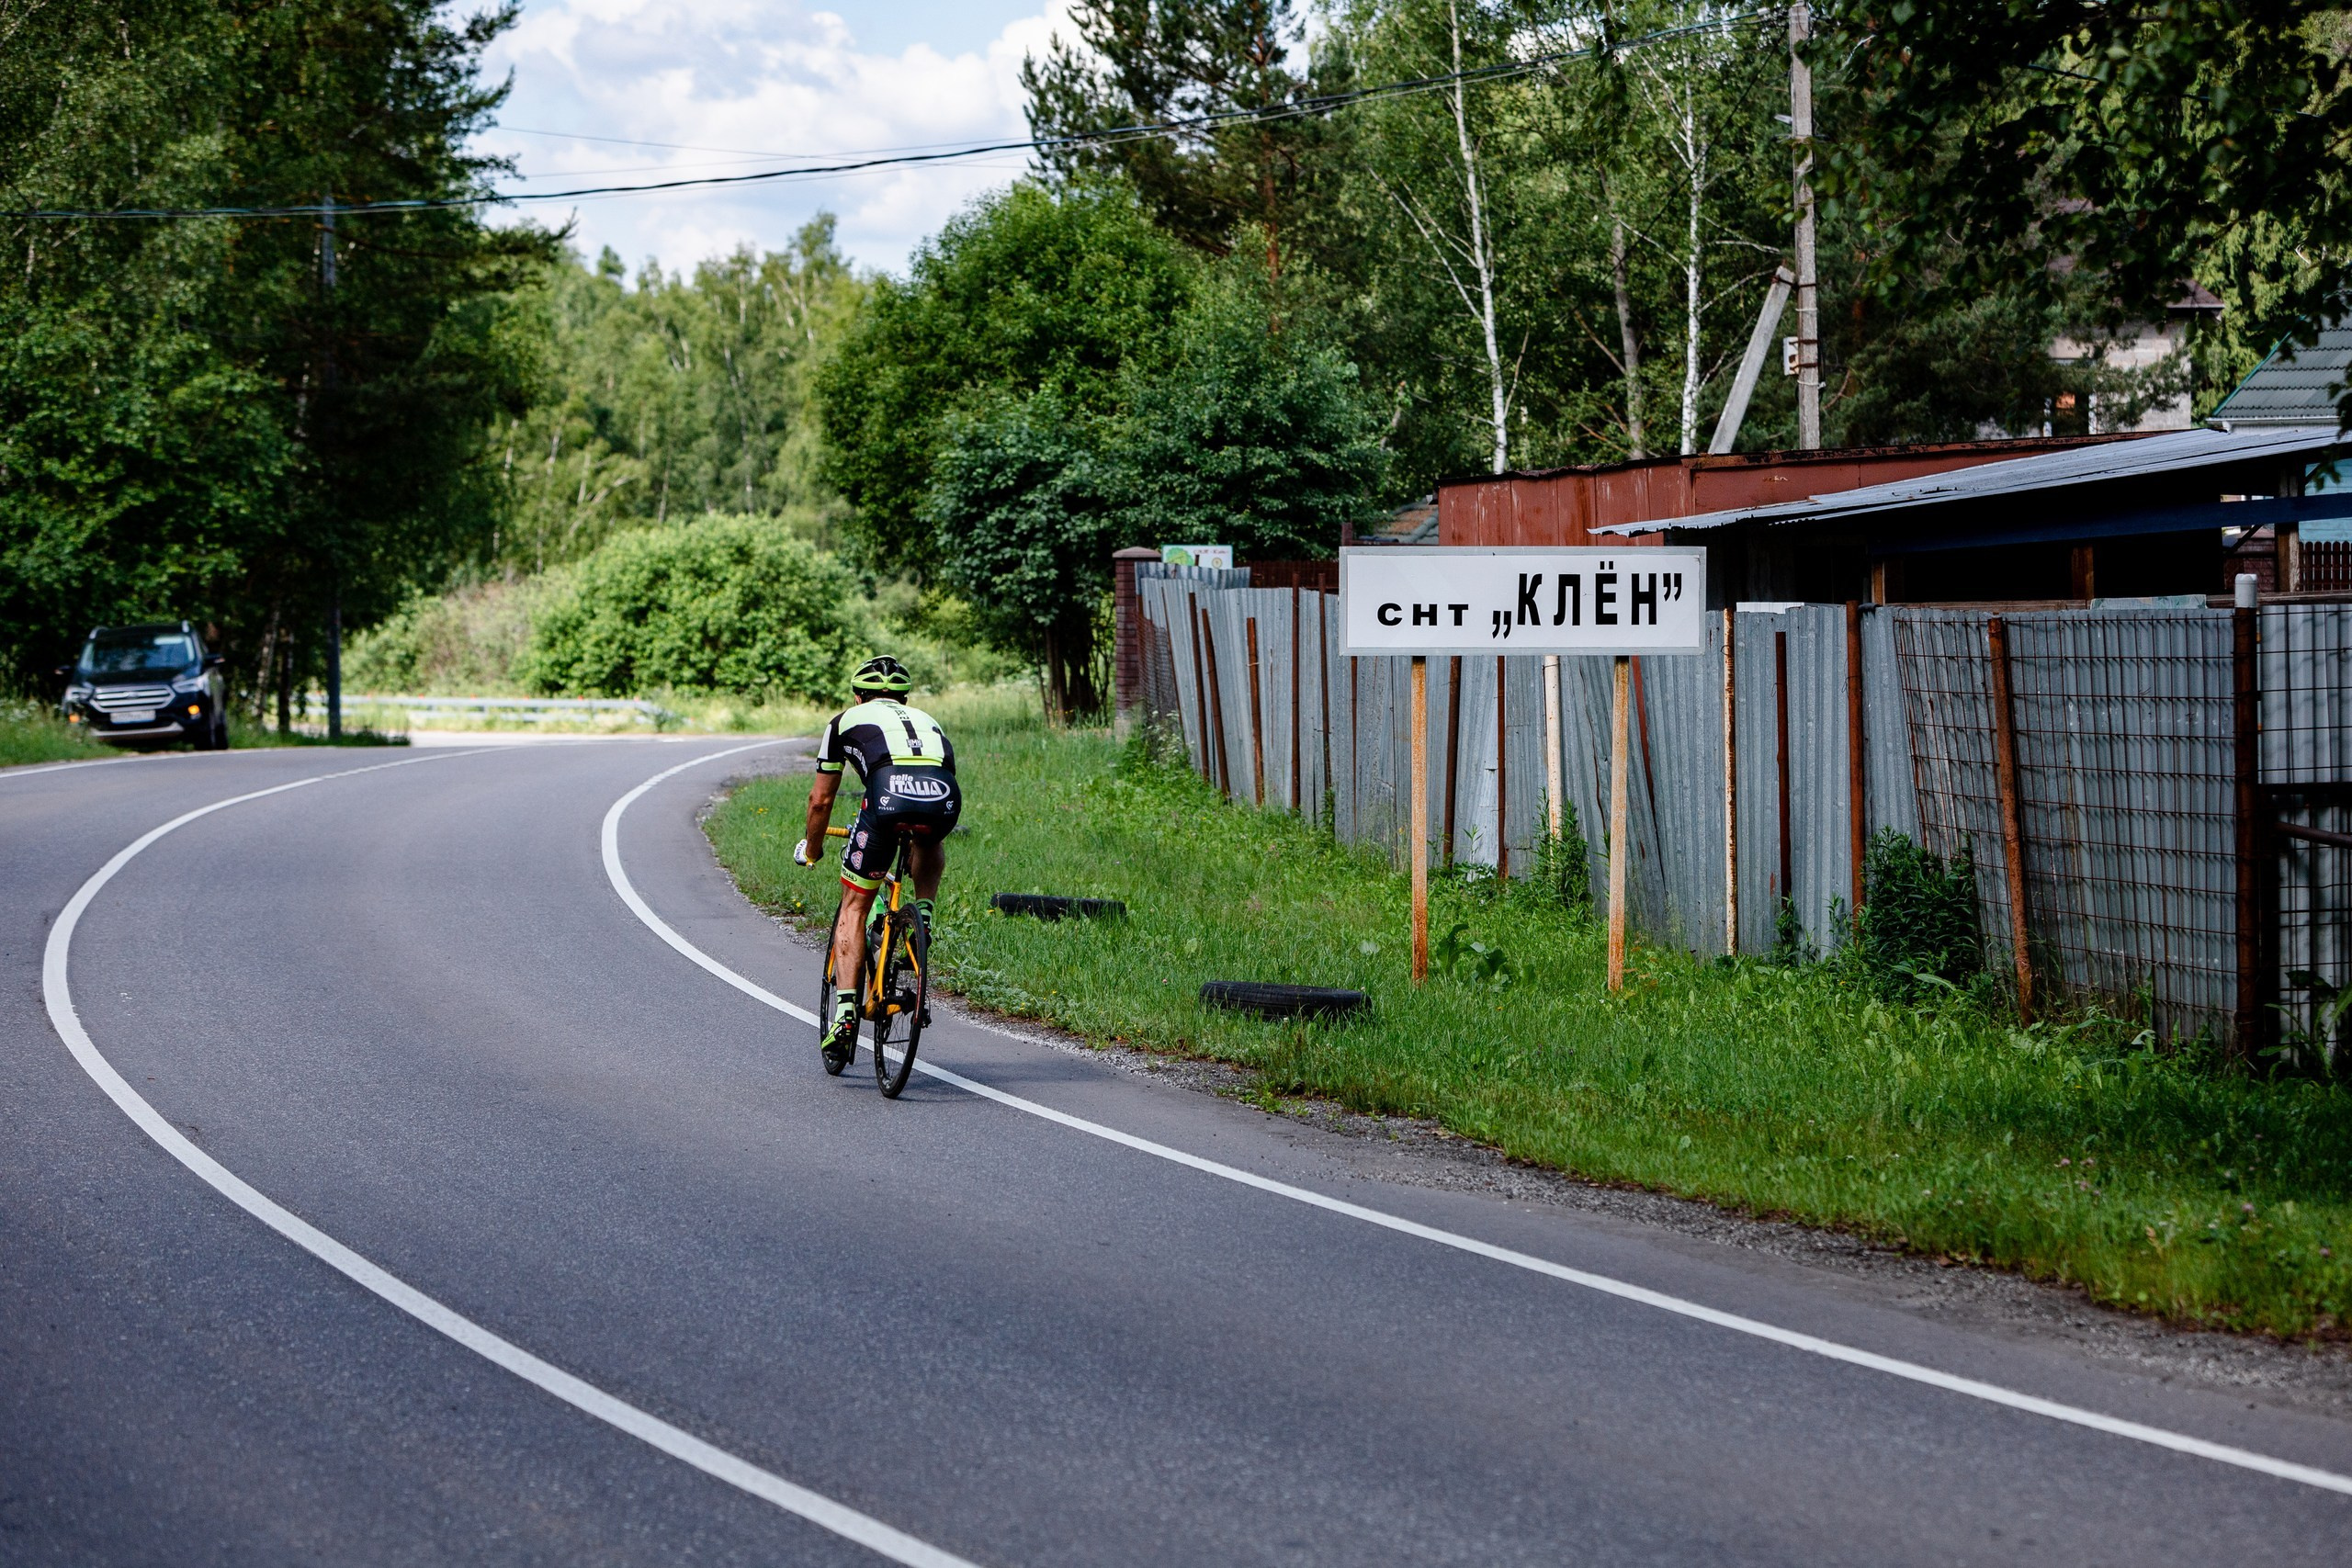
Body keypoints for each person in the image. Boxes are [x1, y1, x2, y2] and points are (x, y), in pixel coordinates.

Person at [793, 656, 960, 1065]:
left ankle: (845, 1017)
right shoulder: (929, 721)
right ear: (904, 699)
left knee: (854, 906)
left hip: (887, 797)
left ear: (858, 696)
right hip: (943, 797)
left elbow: (821, 800)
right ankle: (923, 915)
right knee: (929, 835)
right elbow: (938, 779)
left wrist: (813, 849)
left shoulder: (842, 722)